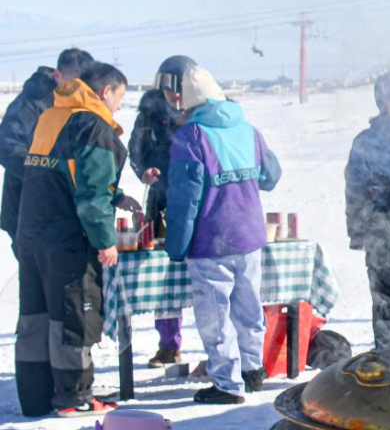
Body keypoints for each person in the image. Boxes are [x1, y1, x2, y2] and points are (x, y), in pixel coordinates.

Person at [14, 62, 139, 417]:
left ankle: (35, 397)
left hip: (32, 234)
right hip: (66, 239)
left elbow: (62, 174)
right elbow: (90, 197)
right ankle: (74, 396)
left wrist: (117, 197)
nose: (119, 105)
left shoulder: (52, 117)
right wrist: (105, 241)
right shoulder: (93, 127)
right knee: (72, 318)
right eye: (120, 96)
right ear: (104, 92)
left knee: (35, 319)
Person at [165, 66, 281, 404]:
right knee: (249, 307)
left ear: (189, 104)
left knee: (215, 315)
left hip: (211, 241)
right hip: (250, 236)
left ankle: (227, 385)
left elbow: (184, 198)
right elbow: (270, 176)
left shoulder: (191, 136)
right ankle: (252, 370)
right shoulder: (248, 129)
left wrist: (176, 246)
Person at [128, 55, 197, 368]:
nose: (175, 94)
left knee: (208, 272)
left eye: (179, 86)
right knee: (165, 273)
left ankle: (219, 347)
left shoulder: (202, 108)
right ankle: (169, 344)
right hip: (161, 198)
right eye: (169, 87)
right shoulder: (150, 108)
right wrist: (144, 170)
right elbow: (136, 148)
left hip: (198, 199)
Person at [345, 72, 390, 350]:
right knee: (386, 299)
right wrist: (358, 230)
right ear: (382, 103)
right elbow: (354, 189)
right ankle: (388, 357)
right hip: (382, 232)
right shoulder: (366, 141)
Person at [0, 48, 94, 251]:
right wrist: (43, 175)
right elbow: (7, 146)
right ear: (57, 75)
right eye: (74, 81)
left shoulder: (79, 104)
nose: (79, 88)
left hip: (61, 208)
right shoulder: (31, 102)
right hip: (26, 208)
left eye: (84, 83)